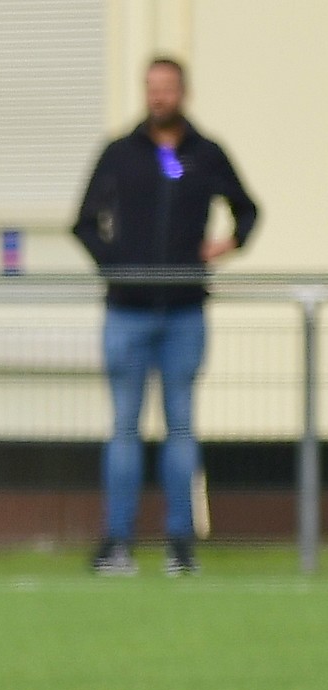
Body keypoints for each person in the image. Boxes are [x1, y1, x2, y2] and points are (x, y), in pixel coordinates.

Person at [72, 56, 259, 578]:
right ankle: (118, 543)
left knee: (181, 429)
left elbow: (247, 210)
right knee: (124, 430)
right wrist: (118, 267)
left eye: (168, 89)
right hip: (126, 315)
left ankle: (180, 543)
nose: (160, 98)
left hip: (184, 314)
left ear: (184, 92)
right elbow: (84, 223)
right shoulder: (120, 153)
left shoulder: (206, 154)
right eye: (152, 89)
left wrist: (226, 246)